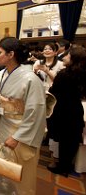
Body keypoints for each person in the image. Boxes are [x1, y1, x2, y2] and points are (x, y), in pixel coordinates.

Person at [0, 37, 46, 195]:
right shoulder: (1, 74)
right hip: (4, 126)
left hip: (22, 130)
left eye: (0, 52)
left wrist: (18, 137)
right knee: (3, 165)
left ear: (11, 54)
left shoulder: (31, 79)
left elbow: (36, 113)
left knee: (21, 171)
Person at [47, 45, 86, 177]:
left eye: (67, 55)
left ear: (73, 58)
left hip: (63, 110)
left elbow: (53, 92)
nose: (64, 57)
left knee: (64, 140)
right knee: (72, 139)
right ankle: (67, 165)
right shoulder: (83, 73)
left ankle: (63, 167)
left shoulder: (64, 74)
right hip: (76, 109)